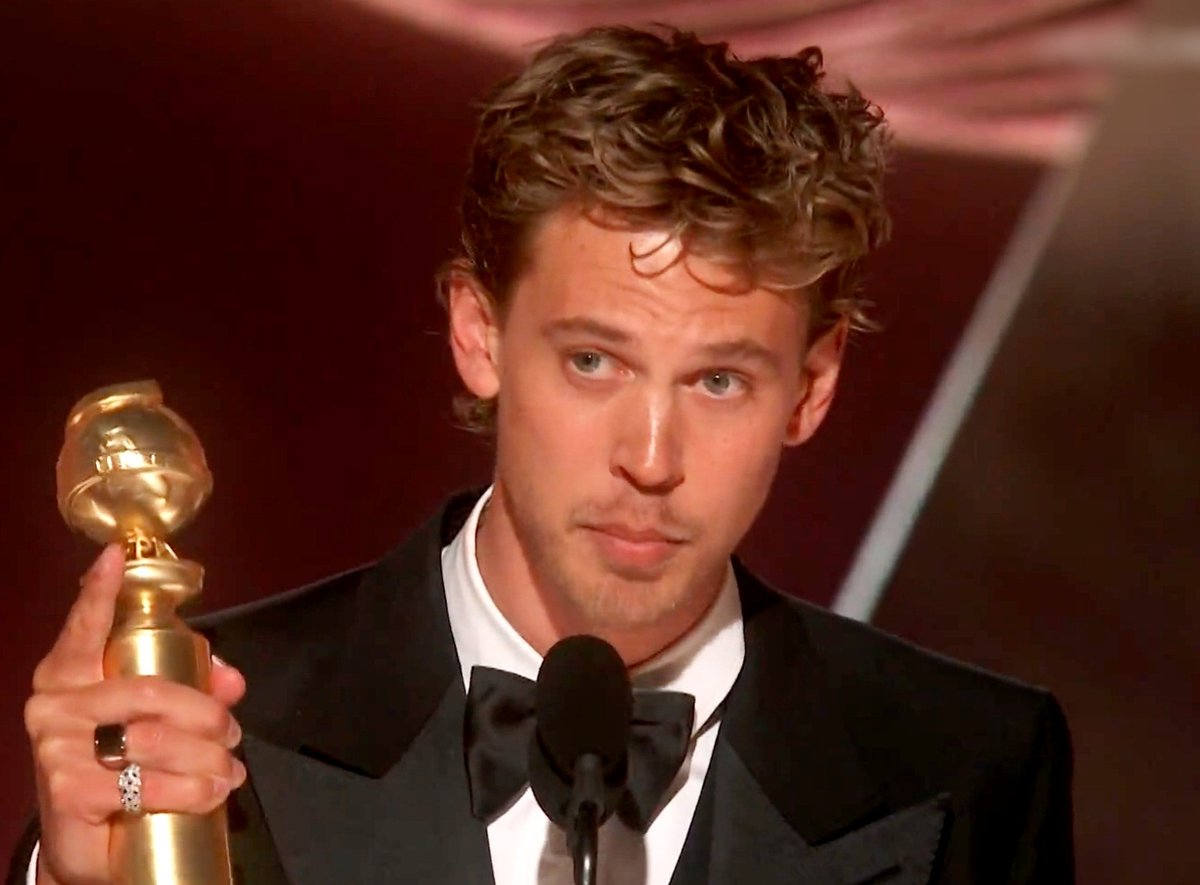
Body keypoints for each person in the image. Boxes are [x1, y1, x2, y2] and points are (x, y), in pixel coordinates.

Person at [11, 24, 1073, 885]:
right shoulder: (204, 732)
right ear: (479, 334)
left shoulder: (969, 764)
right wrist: (73, 879)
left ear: (813, 385)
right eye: (594, 363)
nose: (650, 459)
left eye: (718, 381)